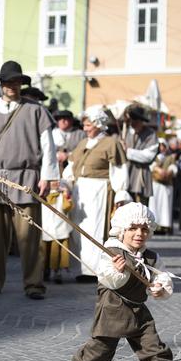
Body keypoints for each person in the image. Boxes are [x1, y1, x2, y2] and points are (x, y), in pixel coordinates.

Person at [55, 202, 177, 361]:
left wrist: (159, 288)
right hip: (113, 309)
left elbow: (161, 277)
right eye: (133, 229)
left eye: (144, 229)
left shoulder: (151, 257)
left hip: (138, 311)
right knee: (100, 350)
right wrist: (118, 272)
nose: (139, 234)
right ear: (121, 231)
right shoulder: (112, 252)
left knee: (153, 345)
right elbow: (106, 278)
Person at [0, 60, 58, 299]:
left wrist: (47, 177)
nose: (11, 86)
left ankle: (34, 284)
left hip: (26, 178)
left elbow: (49, 147)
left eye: (16, 81)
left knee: (29, 237)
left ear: (21, 84)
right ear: (1, 84)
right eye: (7, 82)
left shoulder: (35, 110)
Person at [62, 107, 129, 283]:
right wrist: (65, 184)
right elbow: (71, 167)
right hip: (79, 192)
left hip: (99, 191)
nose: (85, 128)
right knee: (78, 230)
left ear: (99, 124)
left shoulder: (111, 143)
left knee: (95, 230)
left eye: (88, 125)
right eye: (84, 125)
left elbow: (119, 170)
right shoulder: (82, 143)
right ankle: (80, 268)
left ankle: (93, 270)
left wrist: (120, 193)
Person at [124, 106, 159, 205]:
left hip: (141, 176)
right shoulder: (125, 132)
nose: (133, 123)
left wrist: (128, 151)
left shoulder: (151, 134)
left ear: (141, 121)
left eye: (136, 120)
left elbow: (148, 156)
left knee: (141, 209)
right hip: (126, 174)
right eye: (132, 120)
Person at [41, 181, 73, 284]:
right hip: (46, 225)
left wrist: (66, 194)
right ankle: (45, 270)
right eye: (53, 181)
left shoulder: (62, 192)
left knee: (58, 250)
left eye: (57, 181)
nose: (56, 183)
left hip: (60, 226)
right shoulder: (42, 193)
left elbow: (67, 207)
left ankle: (57, 272)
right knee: (45, 250)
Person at [148, 139, 178, 234]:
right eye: (160, 146)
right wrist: (158, 168)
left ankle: (165, 227)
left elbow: (174, 167)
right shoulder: (154, 157)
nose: (161, 148)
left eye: (163, 146)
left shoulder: (170, 157)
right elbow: (151, 167)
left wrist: (169, 171)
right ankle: (155, 227)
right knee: (155, 206)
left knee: (165, 207)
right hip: (156, 184)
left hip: (166, 185)